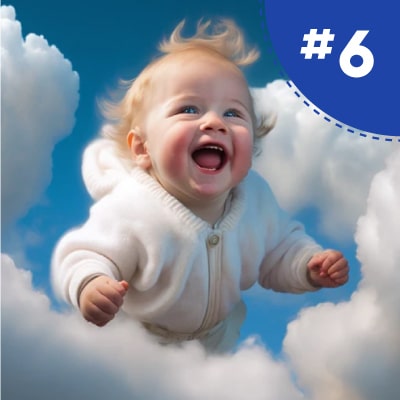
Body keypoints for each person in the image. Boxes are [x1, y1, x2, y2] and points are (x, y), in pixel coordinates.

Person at [51, 19, 349, 353]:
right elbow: (85, 254)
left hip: (218, 336)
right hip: (140, 340)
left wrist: (308, 264)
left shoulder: (256, 198)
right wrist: (91, 283)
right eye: (188, 109)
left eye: (234, 114)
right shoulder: (131, 207)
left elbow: (278, 249)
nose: (214, 122)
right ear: (142, 148)